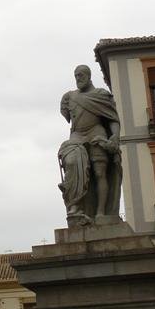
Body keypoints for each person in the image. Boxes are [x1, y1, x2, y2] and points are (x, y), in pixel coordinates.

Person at [58, 64, 122, 224]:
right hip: (77, 136)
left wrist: (115, 136)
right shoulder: (69, 97)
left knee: (99, 173)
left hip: (96, 133)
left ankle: (101, 213)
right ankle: (75, 207)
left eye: (81, 75)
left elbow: (112, 119)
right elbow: (66, 115)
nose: (78, 78)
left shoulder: (101, 95)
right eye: (76, 76)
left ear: (88, 75)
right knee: (72, 164)